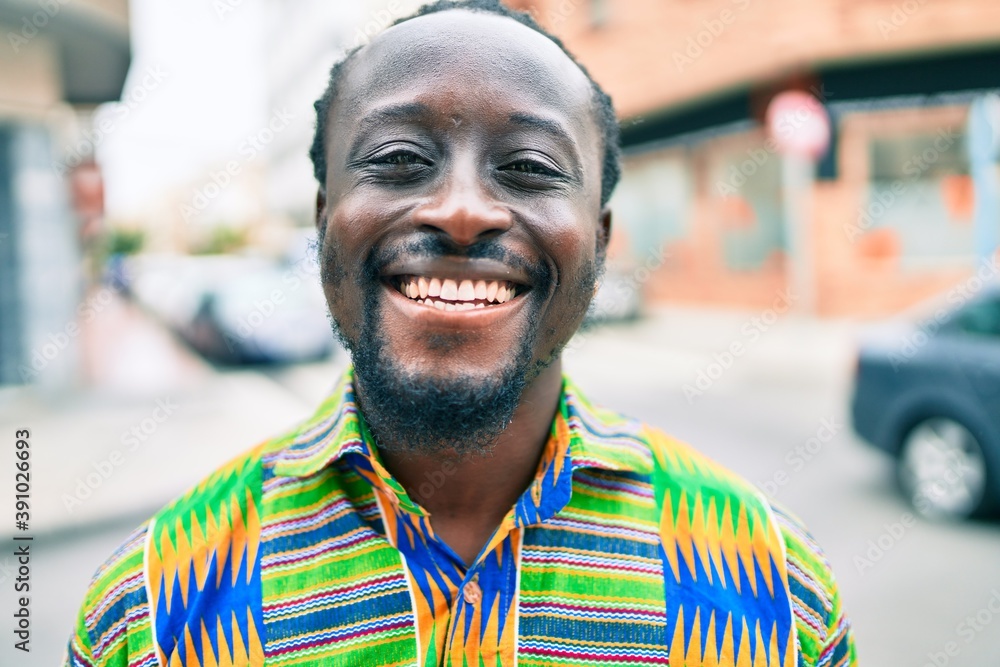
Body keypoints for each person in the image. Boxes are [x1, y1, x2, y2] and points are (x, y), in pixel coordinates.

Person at [65, 1, 857, 665]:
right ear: (323, 223)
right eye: (400, 158)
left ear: (601, 240)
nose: (462, 208)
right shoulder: (151, 614)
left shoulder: (777, 595)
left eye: (531, 167)